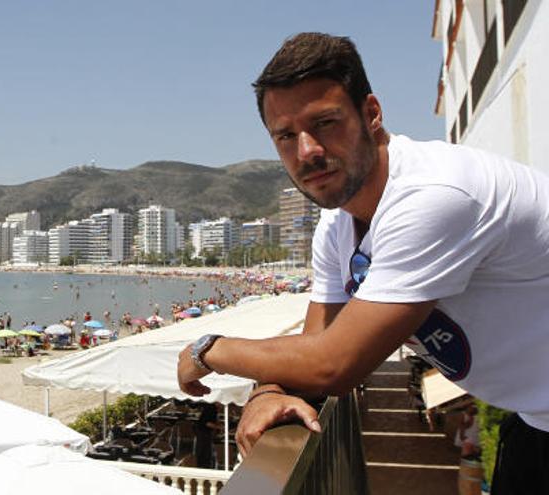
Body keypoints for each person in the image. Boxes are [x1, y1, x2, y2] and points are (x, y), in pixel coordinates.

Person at [176, 32, 549, 494]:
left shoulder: (433, 196)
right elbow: (317, 342)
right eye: (286, 136)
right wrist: (269, 392)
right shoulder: (336, 224)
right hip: (534, 420)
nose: (306, 150)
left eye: (325, 123)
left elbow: (336, 365)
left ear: (371, 114)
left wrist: (207, 349)